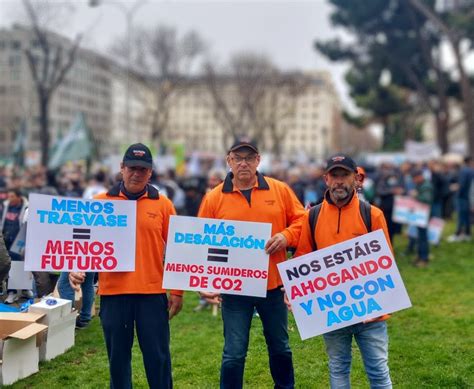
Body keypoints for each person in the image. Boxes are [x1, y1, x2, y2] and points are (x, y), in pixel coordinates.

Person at [69, 143, 183, 389]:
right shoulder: (100, 203)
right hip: (114, 294)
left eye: (142, 169)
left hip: (152, 295)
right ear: (121, 168)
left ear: (150, 172)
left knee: (158, 359)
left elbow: (177, 250)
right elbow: (83, 243)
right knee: (118, 361)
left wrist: (177, 291)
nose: (136, 173)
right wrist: (76, 267)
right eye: (132, 168)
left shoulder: (163, 205)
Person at [198, 138, 305, 389]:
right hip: (234, 290)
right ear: (229, 161)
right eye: (238, 158)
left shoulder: (280, 190)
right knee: (234, 353)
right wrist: (203, 283)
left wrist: (285, 236)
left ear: (258, 160)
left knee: (280, 346)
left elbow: (303, 222)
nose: (243, 163)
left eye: (249, 158)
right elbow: (199, 243)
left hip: (273, 287)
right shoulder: (214, 198)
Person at [295, 154, 393, 389]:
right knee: (338, 369)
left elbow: (386, 263)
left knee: (379, 372)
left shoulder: (373, 214)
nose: (339, 181)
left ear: (356, 179)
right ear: (326, 179)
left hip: (370, 311)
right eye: (334, 176)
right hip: (332, 311)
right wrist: (296, 293)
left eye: (344, 175)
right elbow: (302, 259)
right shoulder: (313, 216)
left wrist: (381, 303)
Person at [1, 188, 32, 303]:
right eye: (9, 196)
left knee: (21, 265)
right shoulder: (5, 206)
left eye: (12, 196)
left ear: (19, 197)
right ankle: (11, 292)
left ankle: (25, 289)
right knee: (10, 266)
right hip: (6, 240)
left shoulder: (26, 207)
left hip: (20, 240)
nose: (10, 199)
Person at [409, 169, 433, 268]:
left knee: (423, 237)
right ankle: (420, 256)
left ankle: (424, 258)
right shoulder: (421, 184)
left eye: (414, 179)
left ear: (419, 177)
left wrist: (416, 195)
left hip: (424, 215)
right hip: (420, 214)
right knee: (419, 236)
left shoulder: (426, 186)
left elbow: (426, 199)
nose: (414, 181)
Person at [447, 156, 473, 242]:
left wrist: (455, 189)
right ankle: (467, 234)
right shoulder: (471, 170)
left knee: (461, 217)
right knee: (466, 217)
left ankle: (458, 234)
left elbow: (462, 185)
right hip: (469, 197)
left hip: (463, 197)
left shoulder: (464, 170)